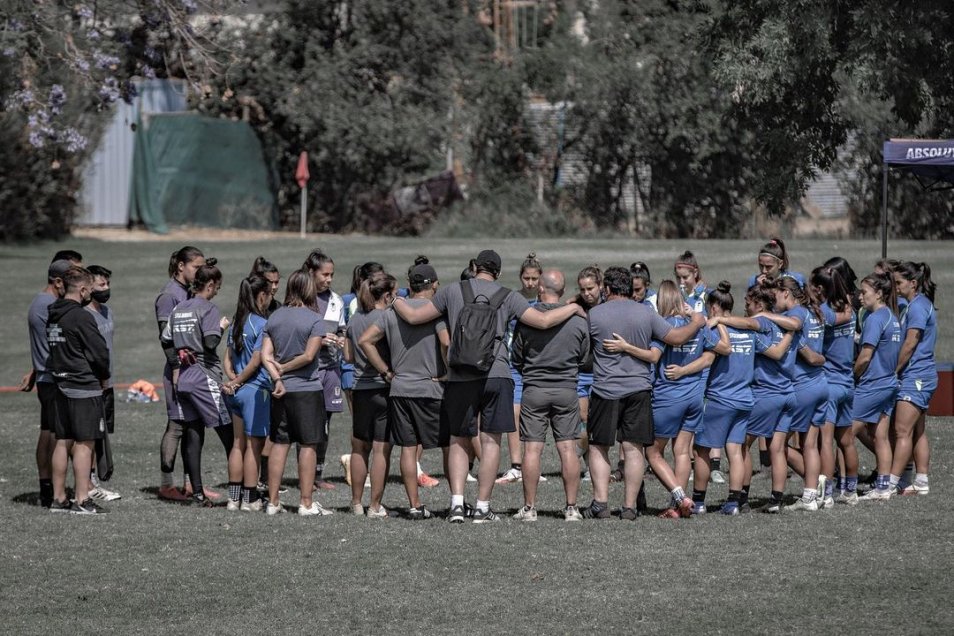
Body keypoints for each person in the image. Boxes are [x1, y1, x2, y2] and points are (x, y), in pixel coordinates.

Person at [390, 249, 584, 523]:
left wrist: (396, 301)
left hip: (459, 375)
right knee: (491, 441)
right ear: (499, 273)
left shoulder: (452, 291)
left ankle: (457, 503)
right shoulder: (509, 296)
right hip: (497, 373)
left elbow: (413, 317)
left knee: (458, 439)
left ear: (474, 267)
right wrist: (574, 307)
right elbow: (542, 321)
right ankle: (482, 506)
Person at [583, 266, 705, 520]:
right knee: (634, 448)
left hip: (605, 389)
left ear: (607, 289)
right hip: (639, 389)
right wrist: (697, 321)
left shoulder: (594, 314)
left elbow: (582, 352)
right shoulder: (646, 313)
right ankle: (629, 508)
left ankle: (600, 504)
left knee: (598, 447)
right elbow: (676, 338)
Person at [360, 263, 450, 520]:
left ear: (409, 286)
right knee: (449, 446)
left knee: (408, 448)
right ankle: (456, 501)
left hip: (399, 389)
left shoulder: (391, 313)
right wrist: (446, 370)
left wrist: (386, 371)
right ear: (434, 285)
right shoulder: (436, 313)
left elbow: (365, 340)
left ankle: (414, 504)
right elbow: (445, 342)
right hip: (431, 387)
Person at [626, 280, 719, 516]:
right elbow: (717, 350)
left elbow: (653, 357)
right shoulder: (697, 325)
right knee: (681, 451)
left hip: (668, 397)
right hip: (695, 397)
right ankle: (677, 507)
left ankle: (680, 496)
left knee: (652, 452)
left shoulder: (665, 326)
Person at [510, 269, 590, 521]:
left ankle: (529, 508)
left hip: (534, 389)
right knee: (568, 448)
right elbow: (584, 357)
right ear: (563, 291)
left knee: (532, 450)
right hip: (567, 390)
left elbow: (517, 357)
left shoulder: (528, 319)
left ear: (540, 289)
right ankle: (571, 508)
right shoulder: (578, 320)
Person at [683, 283, 765, 516]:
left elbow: (707, 359)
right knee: (735, 451)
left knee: (701, 450)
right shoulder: (749, 331)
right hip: (745, 399)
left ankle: (698, 502)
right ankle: (733, 503)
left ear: (715, 307)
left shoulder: (712, 329)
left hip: (720, 399)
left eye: (709, 308)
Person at [260, 270, 333, 516]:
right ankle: (306, 502)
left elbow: (265, 356)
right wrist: (287, 367)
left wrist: (278, 375)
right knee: (308, 445)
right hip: (307, 390)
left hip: (281, 391)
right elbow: (309, 356)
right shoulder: (314, 320)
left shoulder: (275, 317)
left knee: (280, 444)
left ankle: (272, 502)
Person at [162, 262, 233, 506]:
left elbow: (166, 340)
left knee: (193, 434)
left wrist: (176, 363)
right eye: (217, 287)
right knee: (230, 435)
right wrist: (222, 327)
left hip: (184, 378)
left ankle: (198, 493)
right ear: (210, 285)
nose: (217, 292)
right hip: (204, 377)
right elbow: (211, 342)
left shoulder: (179, 308)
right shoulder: (209, 308)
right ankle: (243, 491)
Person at [46, 266, 111, 514]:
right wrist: (103, 376)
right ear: (83, 290)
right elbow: (99, 353)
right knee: (85, 442)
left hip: (59, 385)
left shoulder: (53, 314)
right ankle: (82, 499)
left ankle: (59, 498)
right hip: (83, 387)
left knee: (63, 441)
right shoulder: (82, 317)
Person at [19, 252, 81, 508]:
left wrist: (34, 369)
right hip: (55, 379)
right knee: (58, 436)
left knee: (47, 433)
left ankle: (47, 489)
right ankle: (57, 493)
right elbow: (57, 345)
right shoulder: (48, 306)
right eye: (71, 281)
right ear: (58, 282)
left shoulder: (40, 302)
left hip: (45, 376)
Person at [155, 245, 207, 502]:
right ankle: (167, 485)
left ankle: (191, 485)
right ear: (181, 266)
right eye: (197, 267)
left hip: (194, 370)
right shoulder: (169, 296)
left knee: (192, 426)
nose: (201, 272)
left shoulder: (188, 292)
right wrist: (176, 367)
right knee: (176, 425)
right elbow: (166, 339)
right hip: (179, 370)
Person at [343, 272, 397, 518]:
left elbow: (348, 356)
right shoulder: (387, 317)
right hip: (383, 388)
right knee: (381, 449)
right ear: (386, 295)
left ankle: (356, 503)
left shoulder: (354, 319)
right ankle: (375, 506)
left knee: (358, 448)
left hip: (359, 389)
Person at [222, 275, 274, 512]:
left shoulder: (236, 323)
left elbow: (227, 359)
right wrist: (240, 382)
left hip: (235, 392)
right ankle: (250, 499)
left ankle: (233, 499)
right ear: (261, 295)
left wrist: (233, 381)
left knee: (237, 443)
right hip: (253, 391)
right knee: (254, 446)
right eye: (269, 294)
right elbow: (256, 360)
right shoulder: (261, 324)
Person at [850, 272, 901, 502]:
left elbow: (865, 356)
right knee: (881, 436)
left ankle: (842, 486)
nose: (860, 297)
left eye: (864, 292)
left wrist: (852, 376)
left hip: (873, 385)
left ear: (879, 293)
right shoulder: (891, 316)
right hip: (889, 383)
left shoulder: (874, 319)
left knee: (845, 433)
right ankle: (883, 487)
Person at [811, 265, 855, 508]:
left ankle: (826, 493)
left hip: (829, 383)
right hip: (848, 382)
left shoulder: (824, 313)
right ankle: (850, 490)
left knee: (825, 442)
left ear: (819, 289)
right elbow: (846, 316)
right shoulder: (848, 307)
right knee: (846, 441)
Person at [891, 261, 936, 496]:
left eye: (899, 283)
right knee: (917, 430)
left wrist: (894, 369)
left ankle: (890, 484)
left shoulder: (918, 307)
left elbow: (910, 342)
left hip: (916, 375)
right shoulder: (914, 304)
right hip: (920, 374)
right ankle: (920, 481)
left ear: (913, 283)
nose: (895, 287)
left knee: (901, 430)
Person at [302, 249, 346, 490]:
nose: (329, 279)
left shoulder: (335, 300)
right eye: (325, 274)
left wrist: (339, 338)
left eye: (332, 275)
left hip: (330, 369)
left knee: (324, 425)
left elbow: (341, 330)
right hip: (306, 371)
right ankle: (304, 475)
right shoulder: (299, 300)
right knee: (306, 425)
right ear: (311, 273)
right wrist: (317, 340)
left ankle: (318, 474)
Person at [498, 251, 544, 485]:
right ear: (520, 277)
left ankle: (533, 464)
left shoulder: (545, 300)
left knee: (535, 414)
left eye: (535, 279)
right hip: (514, 364)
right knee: (514, 414)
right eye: (527, 278)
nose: (530, 283)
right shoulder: (512, 299)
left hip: (538, 365)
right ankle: (516, 465)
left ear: (541, 279)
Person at [85, 265, 121, 502]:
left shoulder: (107, 311)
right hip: (93, 385)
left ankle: (94, 480)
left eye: (107, 284)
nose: (106, 288)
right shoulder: (84, 315)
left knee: (102, 434)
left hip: (108, 384)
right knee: (89, 436)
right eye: (101, 285)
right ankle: (89, 483)